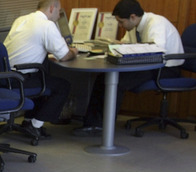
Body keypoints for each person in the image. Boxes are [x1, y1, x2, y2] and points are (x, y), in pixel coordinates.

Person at [74, 0, 184, 136]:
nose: (120, 26)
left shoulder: (157, 23)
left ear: (133, 17)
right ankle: (91, 123)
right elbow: (125, 44)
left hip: (166, 68)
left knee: (118, 82)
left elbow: (156, 51)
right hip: (147, 66)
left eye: (121, 22)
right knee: (103, 77)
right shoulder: (133, 26)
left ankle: (103, 126)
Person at [4, 0, 78, 139]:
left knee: (42, 75)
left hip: (5, 76)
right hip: (21, 79)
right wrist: (74, 51)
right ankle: (35, 125)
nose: (59, 15)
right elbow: (64, 56)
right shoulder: (47, 25)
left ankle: (28, 121)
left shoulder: (21, 19)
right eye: (58, 11)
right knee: (63, 86)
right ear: (51, 8)